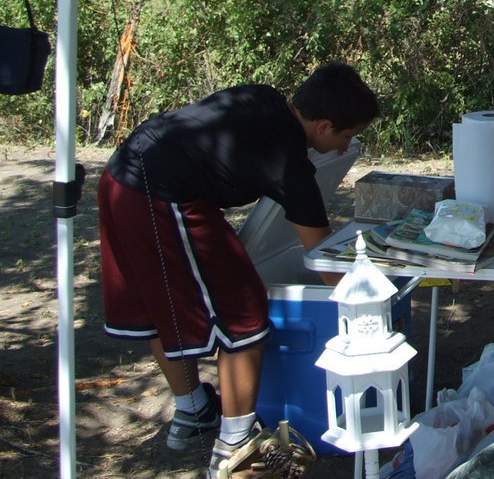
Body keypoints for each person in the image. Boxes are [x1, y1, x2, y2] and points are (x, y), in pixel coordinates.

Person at [97, 62, 380, 478]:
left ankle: (194, 410)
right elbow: (321, 259)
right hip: (160, 194)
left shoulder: (261, 96)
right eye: (346, 136)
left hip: (119, 175)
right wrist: (366, 310)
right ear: (322, 126)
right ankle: (235, 447)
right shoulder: (289, 163)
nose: (345, 148)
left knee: (159, 306)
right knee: (244, 311)